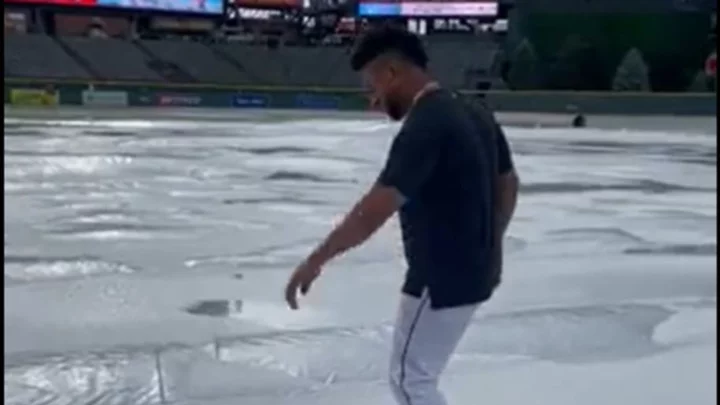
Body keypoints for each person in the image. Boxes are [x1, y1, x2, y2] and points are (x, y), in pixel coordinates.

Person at [284, 26, 519, 405]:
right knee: (417, 376)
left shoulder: (426, 124)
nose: (373, 100)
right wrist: (488, 240)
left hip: (440, 280)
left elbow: (372, 211)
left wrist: (316, 260)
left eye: (371, 85)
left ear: (391, 72)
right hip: (478, 270)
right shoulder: (473, 110)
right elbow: (508, 184)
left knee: (412, 381)